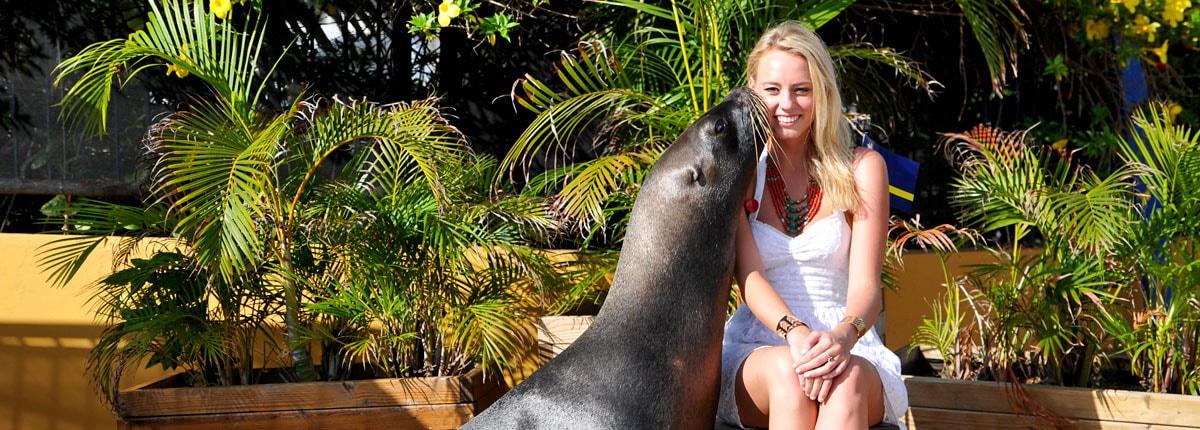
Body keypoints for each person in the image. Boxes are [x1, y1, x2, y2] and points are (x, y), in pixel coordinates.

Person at [718, 21, 908, 429]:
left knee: (848, 379)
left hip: (847, 341)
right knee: (789, 373)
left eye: (801, 89)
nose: (787, 103)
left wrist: (842, 337)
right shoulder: (741, 171)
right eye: (772, 89)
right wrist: (796, 333)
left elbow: (866, 288)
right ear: (752, 89)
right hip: (762, 344)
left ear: (821, 90)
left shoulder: (862, 168)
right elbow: (748, 276)